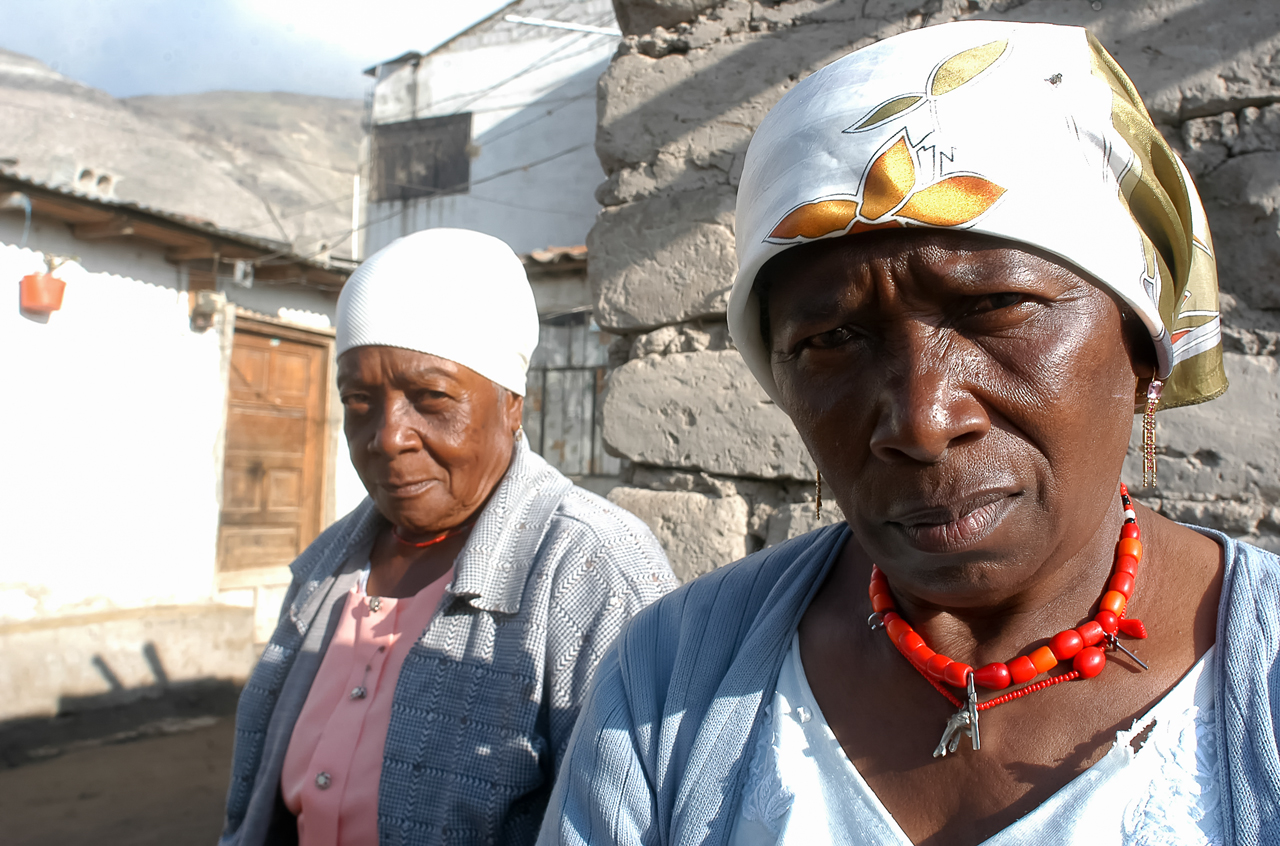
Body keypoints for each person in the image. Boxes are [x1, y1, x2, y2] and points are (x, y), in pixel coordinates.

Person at [540, 21, 1280, 846]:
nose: (921, 423)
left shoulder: (1264, 678)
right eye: (830, 342)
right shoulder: (669, 678)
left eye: (996, 308)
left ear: (1142, 345)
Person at [219, 228, 677, 846]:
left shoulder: (589, 567)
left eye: (430, 397)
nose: (387, 436)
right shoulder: (328, 568)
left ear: (513, 405)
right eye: (359, 401)